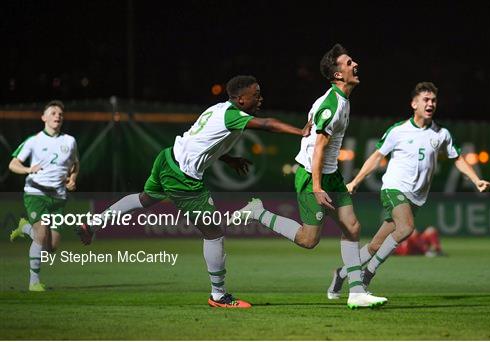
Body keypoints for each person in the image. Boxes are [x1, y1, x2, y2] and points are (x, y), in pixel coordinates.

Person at [77, 75, 311, 308]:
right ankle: (218, 296)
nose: (260, 98)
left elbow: (205, 139)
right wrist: (300, 132)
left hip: (168, 158)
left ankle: (95, 222)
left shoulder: (218, 109)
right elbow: (267, 125)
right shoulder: (232, 115)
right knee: (213, 233)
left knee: (145, 198)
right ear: (241, 99)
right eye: (256, 94)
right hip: (182, 178)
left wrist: (228, 159)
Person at [236, 44, 387, 309]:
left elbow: (316, 134)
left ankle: (356, 292)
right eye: (349, 62)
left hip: (330, 175)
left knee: (352, 227)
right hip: (311, 176)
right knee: (309, 240)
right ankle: (259, 212)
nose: (355, 64)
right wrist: (317, 186)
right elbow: (318, 149)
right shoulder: (332, 105)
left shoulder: (339, 100)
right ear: (338, 74)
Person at [326, 82, 490, 299]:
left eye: (433, 100)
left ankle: (341, 273)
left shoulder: (441, 134)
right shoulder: (398, 131)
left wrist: (476, 179)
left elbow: (458, 158)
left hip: (416, 198)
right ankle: (367, 274)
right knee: (406, 228)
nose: (430, 103)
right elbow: (377, 157)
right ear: (414, 103)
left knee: (376, 245)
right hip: (394, 189)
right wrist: (356, 181)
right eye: (425, 99)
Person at [9, 100, 79, 292]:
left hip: (59, 197)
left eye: (60, 114)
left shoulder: (69, 141)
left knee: (52, 247)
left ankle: (25, 228)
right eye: (53, 112)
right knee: (40, 235)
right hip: (36, 193)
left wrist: (72, 178)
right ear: (44, 117)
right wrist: (28, 169)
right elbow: (13, 164)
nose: (57, 116)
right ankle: (34, 282)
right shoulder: (34, 141)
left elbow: (75, 164)